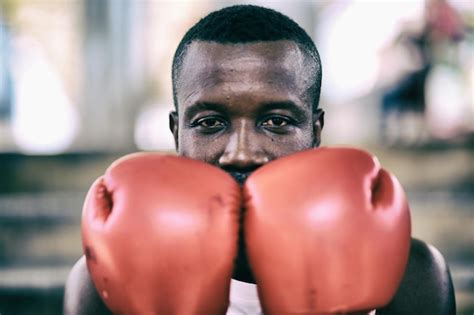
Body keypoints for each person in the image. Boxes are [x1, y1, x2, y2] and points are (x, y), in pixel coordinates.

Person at [64, 5, 455, 314]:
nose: (242, 153)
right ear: (176, 132)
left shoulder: (409, 276)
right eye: (210, 122)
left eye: (276, 122)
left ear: (315, 133)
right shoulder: (108, 279)